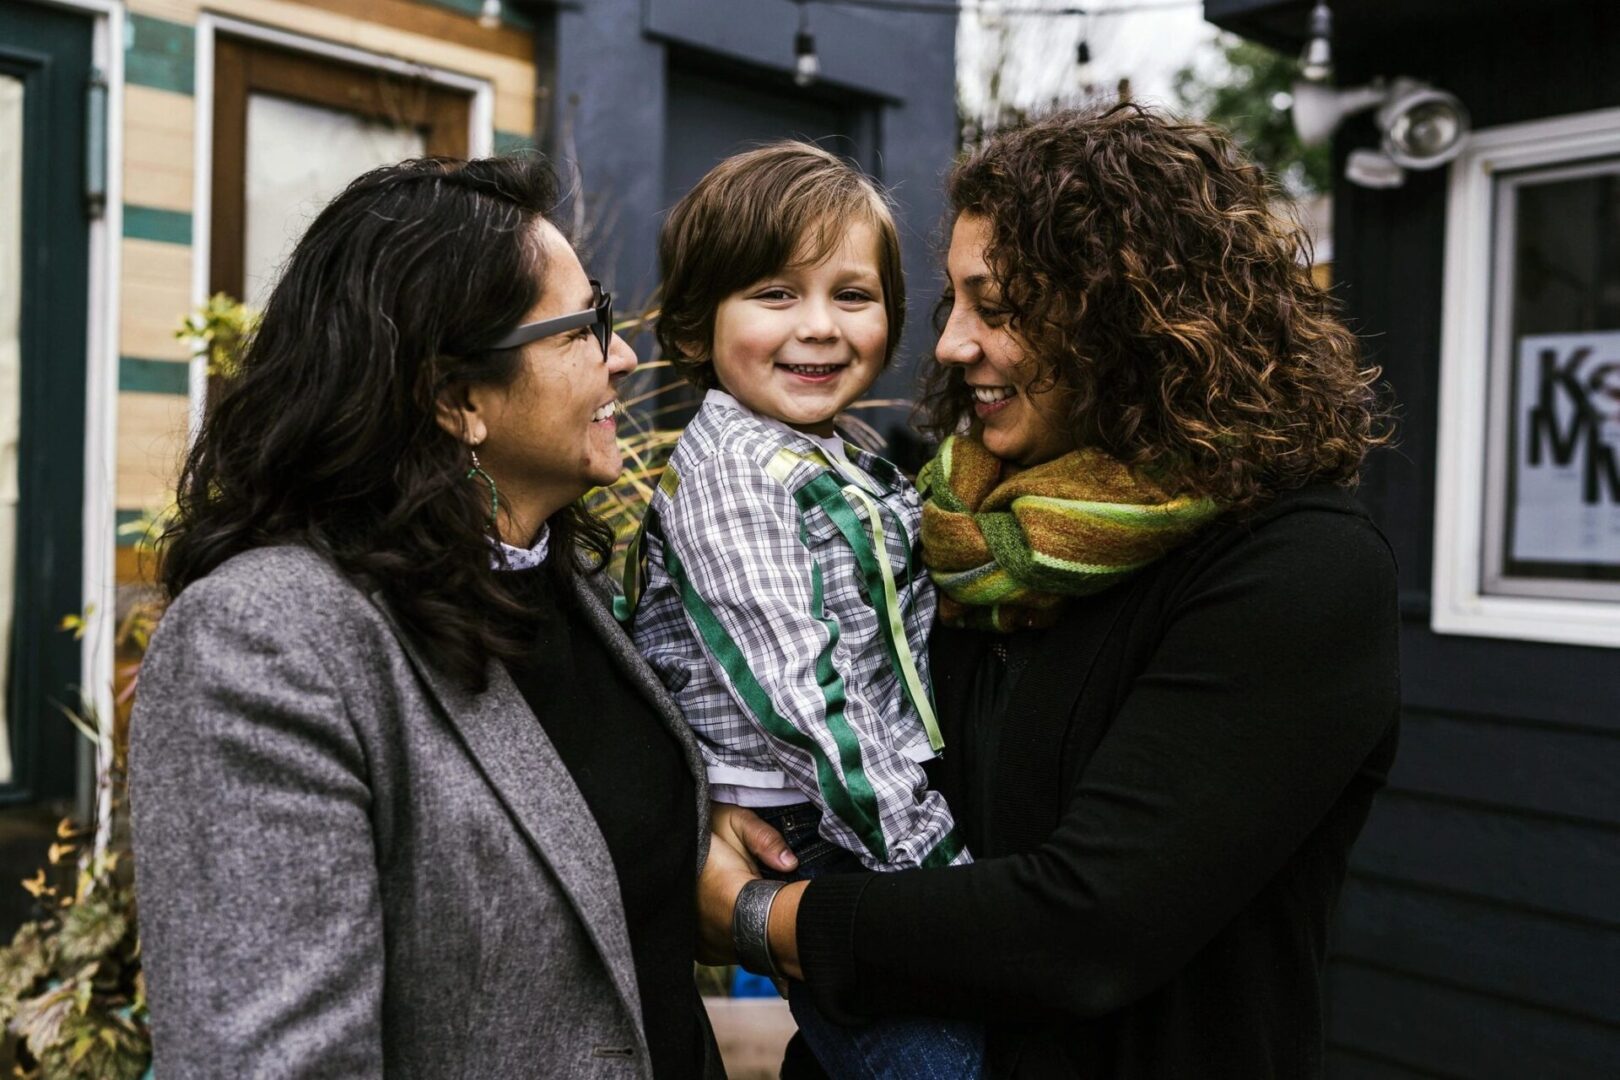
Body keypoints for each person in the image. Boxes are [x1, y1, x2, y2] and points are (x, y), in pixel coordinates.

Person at [698, 104, 1401, 1078]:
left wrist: (755, 914)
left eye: (998, 308)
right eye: (950, 304)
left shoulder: (1296, 569)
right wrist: (731, 806)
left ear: (1124, 316)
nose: (948, 345)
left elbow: (1089, 925)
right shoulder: (950, 522)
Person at [130, 156, 721, 1078]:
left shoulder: (563, 585)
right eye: (584, 328)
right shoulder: (267, 645)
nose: (622, 355)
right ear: (455, 398)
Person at [628, 142, 984, 1076]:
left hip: (853, 812)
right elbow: (803, 697)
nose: (820, 327)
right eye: (777, 295)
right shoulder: (738, 480)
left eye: (853, 295)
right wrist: (932, 869)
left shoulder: (836, 454)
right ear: (699, 328)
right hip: (816, 831)